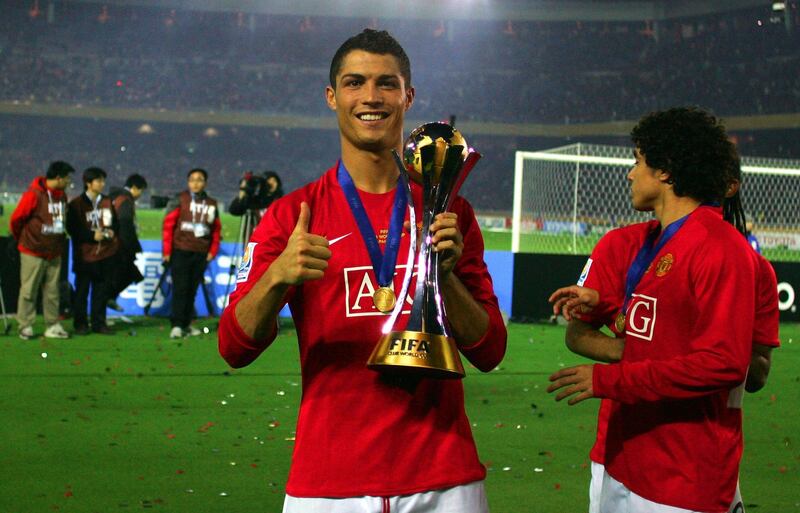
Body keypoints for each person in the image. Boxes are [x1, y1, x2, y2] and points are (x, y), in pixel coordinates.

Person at [218, 29, 507, 513]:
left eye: (386, 84)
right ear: (332, 97)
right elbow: (233, 347)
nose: (371, 97)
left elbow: (490, 349)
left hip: (443, 479)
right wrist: (276, 278)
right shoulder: (293, 214)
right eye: (354, 83)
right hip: (328, 483)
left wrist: (445, 276)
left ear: (408, 97)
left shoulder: (448, 210)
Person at [546, 107, 760, 513]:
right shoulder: (656, 244)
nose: (630, 173)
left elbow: (725, 365)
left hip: (683, 477)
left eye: (638, 161)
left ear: (665, 170)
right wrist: (608, 304)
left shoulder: (720, 248)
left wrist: (610, 381)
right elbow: (660, 334)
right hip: (625, 460)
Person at [9, 160, 74, 340]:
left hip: (54, 251)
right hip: (33, 251)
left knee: (52, 291)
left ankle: (52, 325)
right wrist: (22, 240)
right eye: (67, 178)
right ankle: (25, 325)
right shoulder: (34, 195)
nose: (69, 182)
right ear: (58, 178)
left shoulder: (62, 196)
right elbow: (16, 219)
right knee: (29, 290)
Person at [162, 168, 221, 339]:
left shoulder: (211, 203)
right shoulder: (180, 199)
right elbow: (168, 226)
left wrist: (213, 251)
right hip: (180, 251)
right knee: (180, 289)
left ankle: (186, 324)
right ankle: (176, 325)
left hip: (201, 252)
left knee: (192, 290)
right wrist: (167, 251)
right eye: (192, 180)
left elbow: (216, 230)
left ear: (205, 183)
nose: (195, 183)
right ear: (188, 183)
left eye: (199, 179)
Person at [66, 166, 119, 335]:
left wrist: (111, 231)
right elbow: (72, 228)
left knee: (101, 292)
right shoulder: (76, 204)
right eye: (99, 180)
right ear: (88, 183)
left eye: (103, 180)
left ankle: (99, 323)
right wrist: (91, 236)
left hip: (105, 254)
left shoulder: (107, 201)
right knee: (82, 291)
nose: (102, 184)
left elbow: (115, 223)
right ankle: (80, 323)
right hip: (84, 256)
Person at [107, 174, 148, 311]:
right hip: (120, 246)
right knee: (130, 274)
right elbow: (125, 224)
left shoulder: (115, 197)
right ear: (135, 188)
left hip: (110, 243)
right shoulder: (125, 200)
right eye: (141, 190)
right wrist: (132, 247)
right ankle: (108, 298)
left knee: (128, 274)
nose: (140, 195)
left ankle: (108, 300)